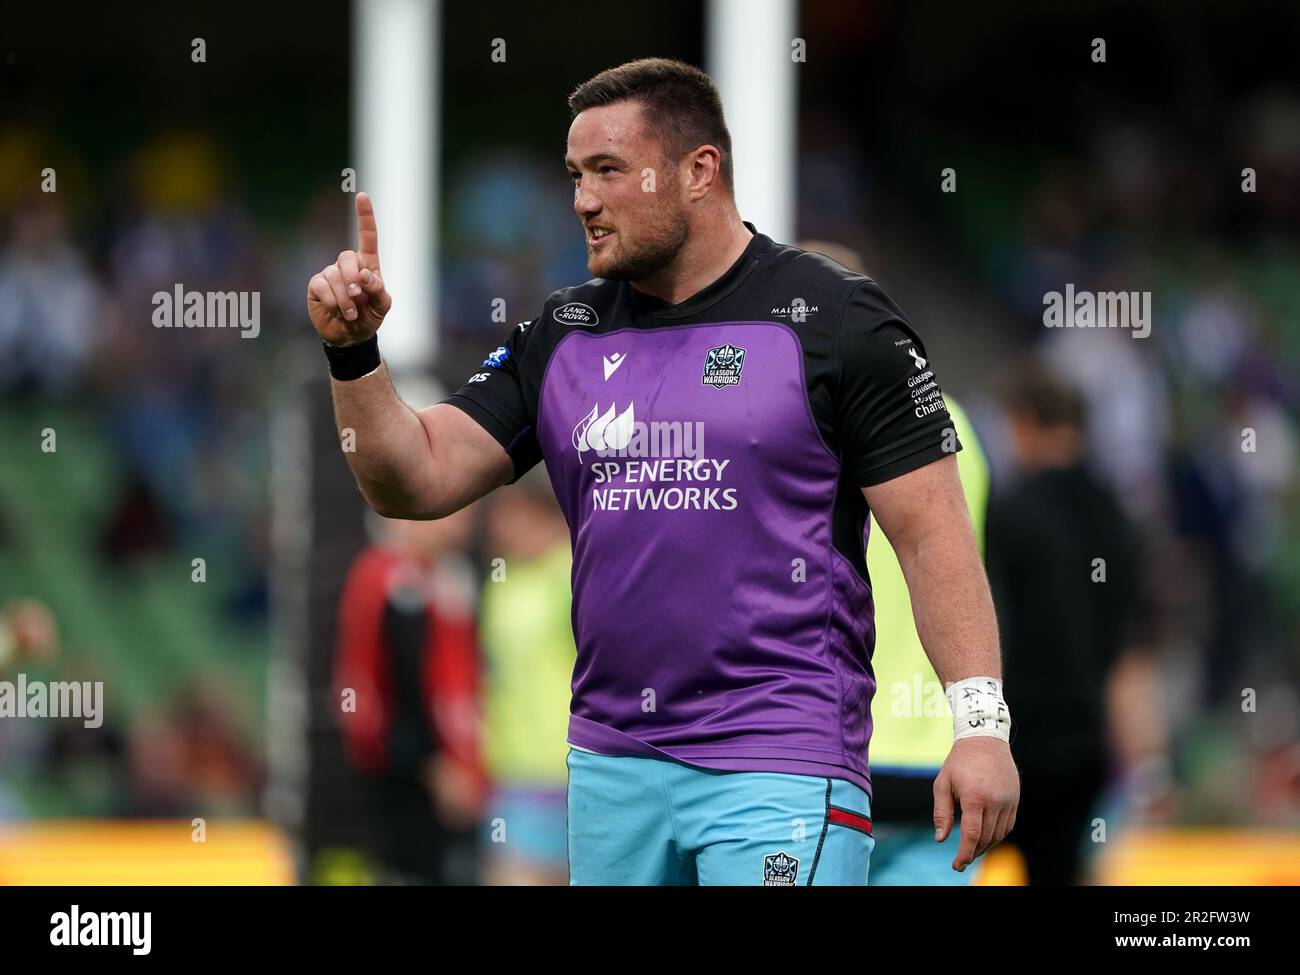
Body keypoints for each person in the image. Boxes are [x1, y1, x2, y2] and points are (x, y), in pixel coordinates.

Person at [307, 58, 1017, 886]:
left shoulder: (838, 322)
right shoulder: (562, 335)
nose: (582, 199)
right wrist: (354, 354)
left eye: (608, 170)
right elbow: (412, 478)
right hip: (611, 769)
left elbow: (933, 537)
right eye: (575, 175)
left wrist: (980, 726)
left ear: (698, 172)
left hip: (779, 758)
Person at [986, 361, 1142, 885]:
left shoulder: (1009, 510)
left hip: (1015, 737)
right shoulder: (1116, 516)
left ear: (1026, 422)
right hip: (1086, 739)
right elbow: (1127, 641)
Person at [333, 513, 485, 884]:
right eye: (452, 513)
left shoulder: (439, 575)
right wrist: (433, 764)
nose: (462, 522)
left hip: (422, 761)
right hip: (410, 768)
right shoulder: (398, 581)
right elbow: (401, 678)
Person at [479, 469, 576, 885]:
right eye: (499, 517)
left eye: (515, 515)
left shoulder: (572, 572)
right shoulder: (502, 583)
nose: (504, 528)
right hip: (515, 775)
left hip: (576, 770)